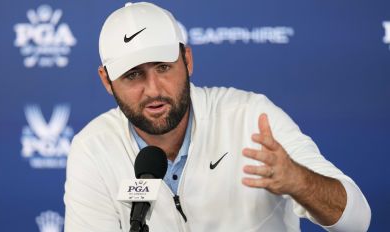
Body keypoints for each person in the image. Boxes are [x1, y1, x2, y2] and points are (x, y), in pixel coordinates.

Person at [64, 2, 371, 231]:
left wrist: (299, 181)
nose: (153, 89)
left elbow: (357, 220)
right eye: (133, 76)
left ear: (187, 60)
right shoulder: (93, 148)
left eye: (163, 67)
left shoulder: (250, 118)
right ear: (107, 81)